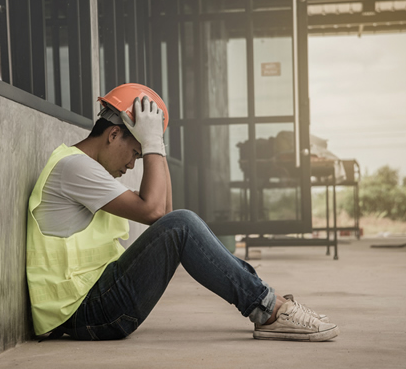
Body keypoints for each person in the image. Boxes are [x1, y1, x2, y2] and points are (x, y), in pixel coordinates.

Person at [26, 83, 339, 342]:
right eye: (135, 152)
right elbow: (159, 214)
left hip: (94, 304)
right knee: (184, 223)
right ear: (112, 135)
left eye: (140, 155)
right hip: (87, 310)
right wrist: (153, 147)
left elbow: (165, 214)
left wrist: (153, 144)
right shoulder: (75, 168)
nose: (133, 164)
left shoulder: (87, 171)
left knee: (181, 223)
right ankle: (270, 309)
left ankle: (271, 305)